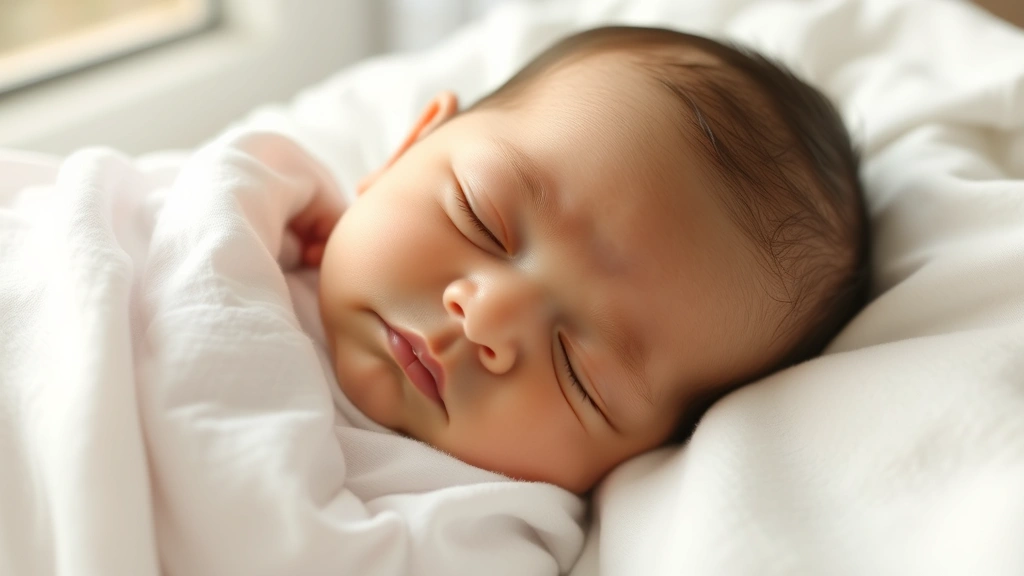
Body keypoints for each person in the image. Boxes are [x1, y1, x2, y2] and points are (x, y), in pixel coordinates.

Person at [287, 26, 870, 494]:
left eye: (579, 375)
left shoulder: (480, 531)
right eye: (479, 218)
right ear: (407, 147)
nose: (485, 320)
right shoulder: (256, 209)